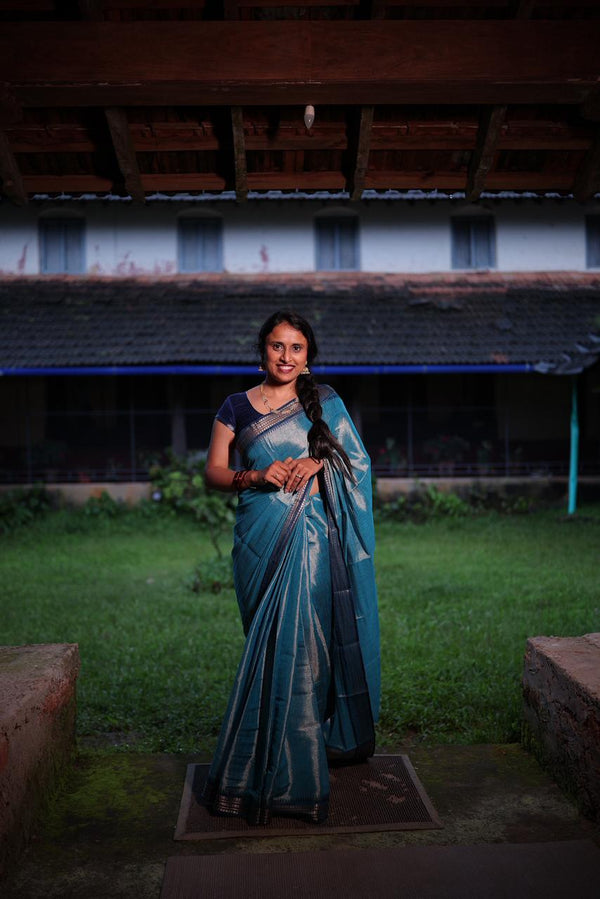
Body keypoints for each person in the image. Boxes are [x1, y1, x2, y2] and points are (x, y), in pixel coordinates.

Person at [202, 310, 380, 825]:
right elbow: (214, 471)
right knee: (267, 645)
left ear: (308, 355)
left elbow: (358, 465)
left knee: (305, 645)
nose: (286, 356)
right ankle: (267, 760)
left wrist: (317, 463)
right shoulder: (235, 406)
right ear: (262, 351)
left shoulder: (325, 403)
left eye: (296, 348)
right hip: (258, 540)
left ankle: (297, 772)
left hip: (314, 543)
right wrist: (256, 474)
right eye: (277, 346)